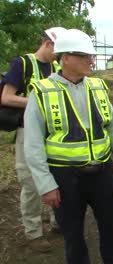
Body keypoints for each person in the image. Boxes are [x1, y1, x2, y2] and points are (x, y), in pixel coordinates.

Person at [23, 29, 113, 264]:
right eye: (84, 56)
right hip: (65, 178)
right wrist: (46, 185)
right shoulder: (42, 92)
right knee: (73, 235)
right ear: (65, 58)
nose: (90, 60)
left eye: (90, 55)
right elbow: (33, 146)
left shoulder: (98, 87)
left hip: (102, 173)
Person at [1, 26, 66, 252]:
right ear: (47, 44)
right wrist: (37, 102)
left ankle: (57, 222)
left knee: (56, 176)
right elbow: (6, 97)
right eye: (57, 50)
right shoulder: (22, 64)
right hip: (27, 131)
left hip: (54, 133)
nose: (59, 56)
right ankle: (33, 232)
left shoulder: (57, 67)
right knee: (30, 183)